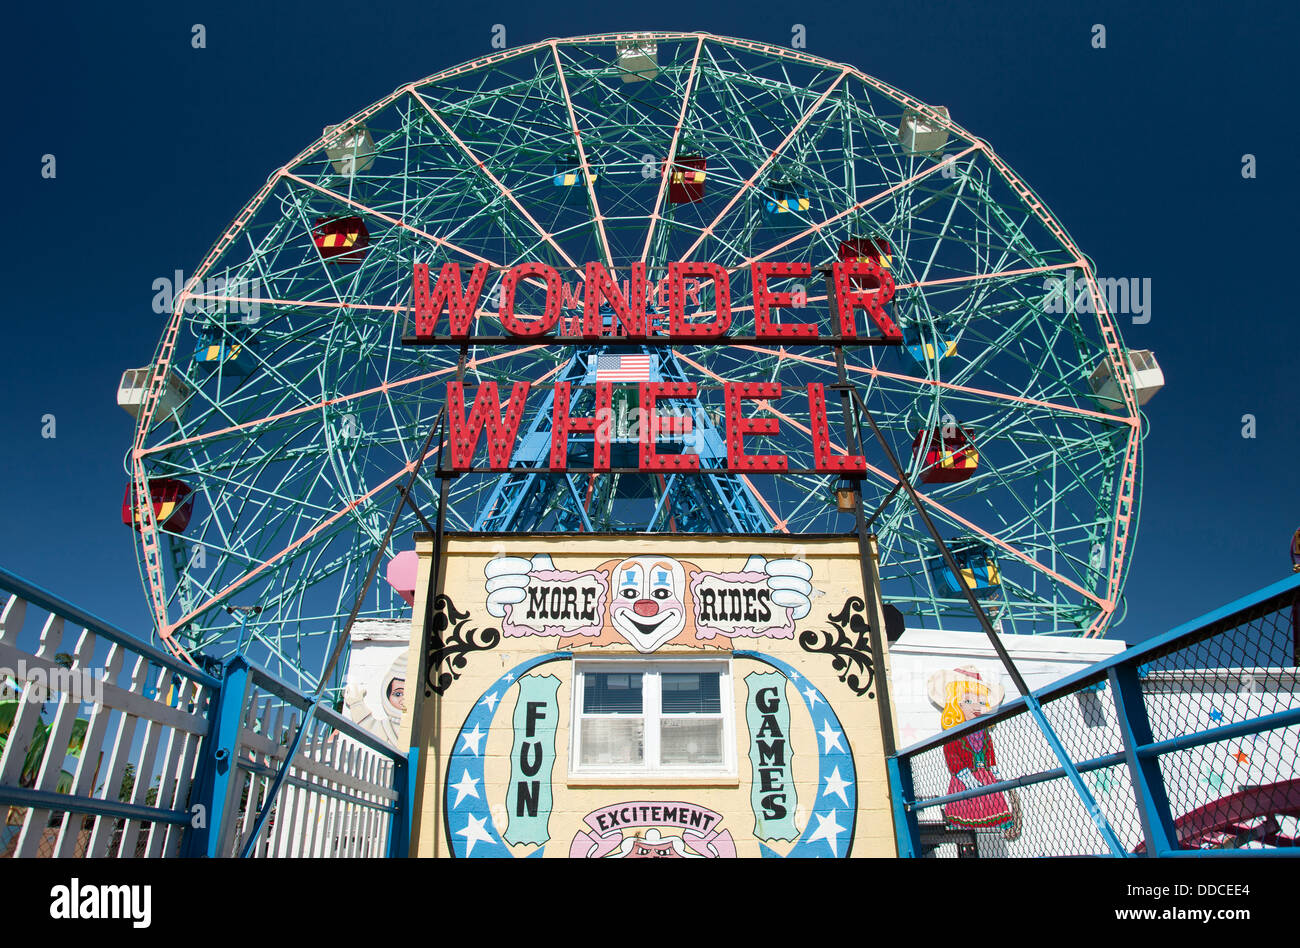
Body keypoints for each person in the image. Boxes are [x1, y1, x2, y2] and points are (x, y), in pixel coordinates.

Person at [927, 666, 1021, 840]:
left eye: (981, 701)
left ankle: (998, 823)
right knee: (968, 804)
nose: (976, 707)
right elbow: (953, 756)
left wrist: (994, 771)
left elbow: (990, 754)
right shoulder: (955, 734)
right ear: (956, 703)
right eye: (969, 702)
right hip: (965, 778)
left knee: (992, 803)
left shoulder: (984, 733)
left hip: (985, 774)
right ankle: (963, 823)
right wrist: (966, 776)